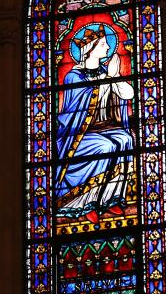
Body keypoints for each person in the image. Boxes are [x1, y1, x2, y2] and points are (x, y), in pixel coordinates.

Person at [55, 26, 135, 221]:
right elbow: (79, 104)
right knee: (105, 147)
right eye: (102, 44)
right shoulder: (74, 76)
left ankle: (110, 199)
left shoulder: (105, 72)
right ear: (89, 49)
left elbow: (128, 94)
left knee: (126, 140)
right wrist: (107, 79)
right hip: (80, 134)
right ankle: (86, 202)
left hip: (106, 127)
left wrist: (114, 77)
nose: (107, 47)